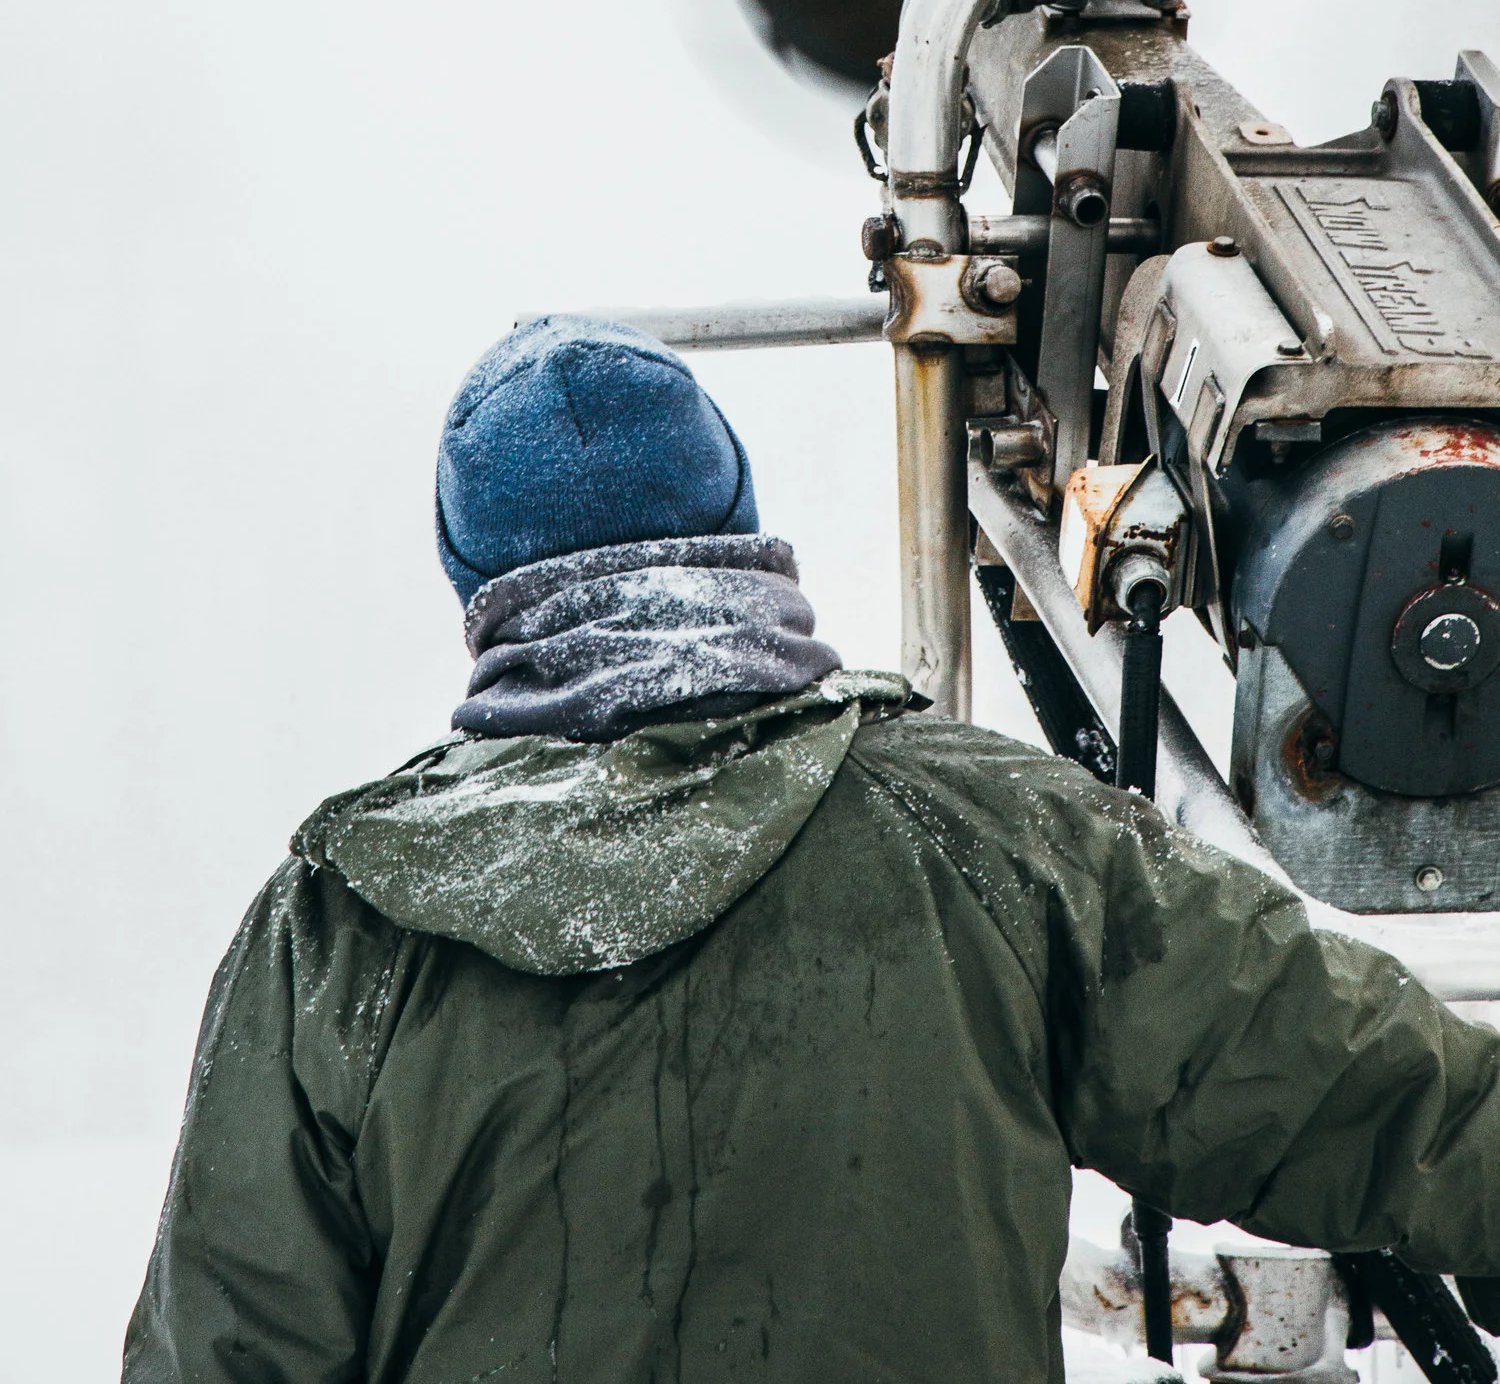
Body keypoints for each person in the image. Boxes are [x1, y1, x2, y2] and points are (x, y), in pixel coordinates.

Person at [124, 317, 1500, 1384]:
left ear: (484, 597)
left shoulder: (341, 929)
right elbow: (1379, 1100)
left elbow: (229, 1344)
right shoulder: (994, 838)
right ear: (734, 529)